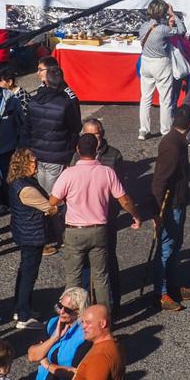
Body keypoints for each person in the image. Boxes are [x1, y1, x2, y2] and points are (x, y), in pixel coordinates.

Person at [51, 133, 141, 311]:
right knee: (101, 277)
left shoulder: (69, 173)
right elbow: (124, 200)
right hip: (99, 229)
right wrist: (136, 215)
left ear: (78, 150)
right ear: (96, 150)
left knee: (73, 278)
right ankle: (104, 319)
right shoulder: (107, 172)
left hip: (74, 231)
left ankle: (73, 320)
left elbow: (54, 201)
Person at [21, 57, 81, 253]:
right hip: (56, 155)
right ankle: (58, 235)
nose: (38, 74)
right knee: (55, 199)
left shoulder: (36, 101)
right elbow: (75, 127)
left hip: (38, 155)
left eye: (41, 70)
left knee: (43, 197)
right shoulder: (63, 103)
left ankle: (47, 236)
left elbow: (27, 128)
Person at [6, 147, 57, 328]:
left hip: (25, 231)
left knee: (24, 271)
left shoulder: (19, 181)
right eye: (33, 162)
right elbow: (49, 208)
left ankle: (20, 307)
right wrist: (58, 204)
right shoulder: (27, 188)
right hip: (32, 234)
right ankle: (24, 316)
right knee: (29, 274)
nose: (37, 165)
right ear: (23, 164)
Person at [152, 105, 190, 311]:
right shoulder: (172, 145)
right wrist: (157, 211)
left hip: (178, 201)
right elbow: (159, 180)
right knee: (166, 247)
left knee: (174, 245)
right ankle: (161, 292)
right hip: (170, 205)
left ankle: (172, 285)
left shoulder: (177, 141)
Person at [137, 0, 183, 140]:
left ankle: (144, 130)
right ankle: (165, 129)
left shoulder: (143, 27)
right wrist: (173, 14)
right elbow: (181, 30)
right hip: (161, 63)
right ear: (162, 13)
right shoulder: (162, 29)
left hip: (146, 62)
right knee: (165, 99)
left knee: (145, 98)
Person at [27, 286, 89, 379]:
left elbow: (75, 374)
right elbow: (32, 355)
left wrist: (47, 365)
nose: (61, 311)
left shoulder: (86, 335)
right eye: (60, 306)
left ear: (80, 312)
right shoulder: (53, 323)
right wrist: (54, 338)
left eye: (68, 310)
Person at [72, 304, 125, 380]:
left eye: (88, 322)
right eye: (83, 322)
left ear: (103, 324)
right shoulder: (115, 344)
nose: (83, 326)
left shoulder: (99, 356)